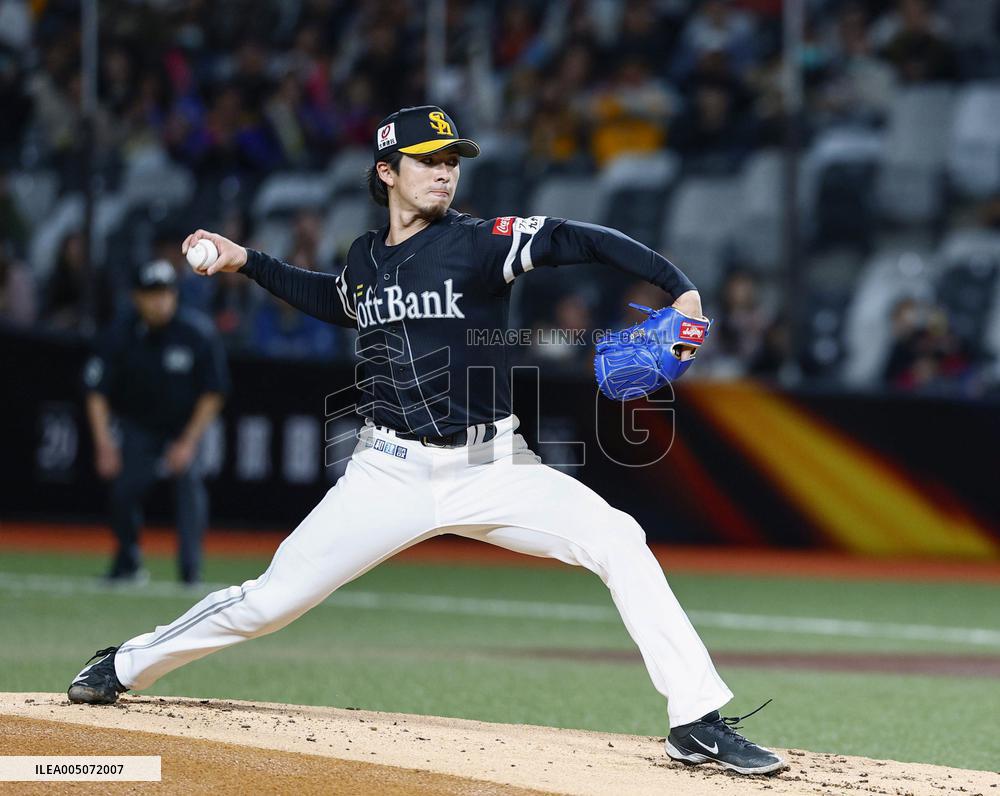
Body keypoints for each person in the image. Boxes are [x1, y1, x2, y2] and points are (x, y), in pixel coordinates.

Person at [68, 106, 785, 777]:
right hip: (388, 471)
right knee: (269, 602)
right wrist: (246, 260)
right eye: (427, 160)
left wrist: (679, 286)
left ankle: (695, 720)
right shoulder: (366, 259)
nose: (445, 171)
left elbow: (575, 237)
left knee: (619, 538)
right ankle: (127, 665)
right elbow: (331, 297)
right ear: (387, 172)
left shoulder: (476, 243)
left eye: (453, 160)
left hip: (494, 465)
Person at [82, 260, 229, 586]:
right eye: (151, 294)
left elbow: (213, 392)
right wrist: (104, 443)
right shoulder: (119, 334)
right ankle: (127, 562)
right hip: (139, 426)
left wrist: (189, 441)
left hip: (184, 427)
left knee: (190, 486)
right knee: (123, 491)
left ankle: (191, 572)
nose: (159, 301)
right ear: (136, 297)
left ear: (174, 295)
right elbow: (96, 392)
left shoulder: (196, 333)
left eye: (164, 293)